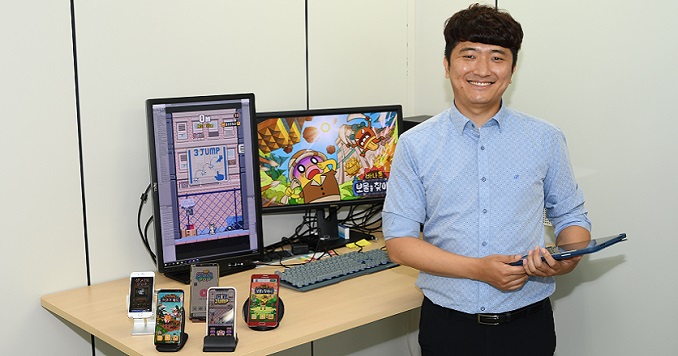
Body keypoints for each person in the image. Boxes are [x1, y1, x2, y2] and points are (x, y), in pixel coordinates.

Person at [382, 4, 591, 355]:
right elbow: (400, 242)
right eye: (469, 55)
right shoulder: (415, 144)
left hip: (529, 326)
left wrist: (568, 257)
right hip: (448, 327)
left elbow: (571, 218)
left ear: (512, 70)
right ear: (447, 65)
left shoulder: (545, 138)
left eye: (497, 57)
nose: (482, 70)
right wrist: (478, 269)